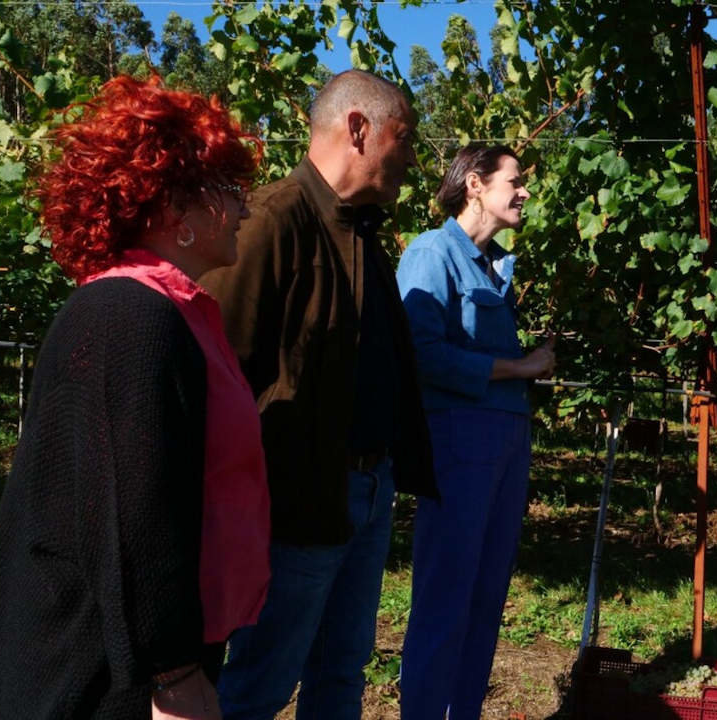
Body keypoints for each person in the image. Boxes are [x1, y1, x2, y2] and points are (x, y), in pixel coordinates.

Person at [0, 75, 266, 719]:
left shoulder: (175, 310)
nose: (245, 209)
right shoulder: (127, 315)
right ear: (173, 210)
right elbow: (130, 513)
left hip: (134, 652)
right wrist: (174, 674)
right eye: (229, 189)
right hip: (101, 670)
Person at [198, 69, 435, 720]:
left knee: (340, 675)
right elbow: (215, 380)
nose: (411, 157)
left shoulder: (364, 234)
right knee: (260, 685)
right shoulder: (270, 225)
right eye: (404, 137)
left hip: (366, 495)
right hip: (296, 507)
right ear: (358, 129)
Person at [395, 143, 555, 719]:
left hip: (506, 441)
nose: (524, 191)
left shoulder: (496, 266)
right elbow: (420, 354)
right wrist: (521, 367)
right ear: (475, 185)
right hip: (461, 441)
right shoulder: (431, 254)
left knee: (486, 596)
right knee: (446, 594)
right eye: (514, 180)